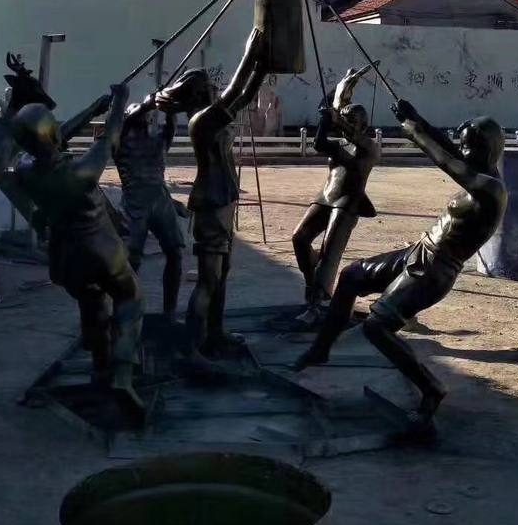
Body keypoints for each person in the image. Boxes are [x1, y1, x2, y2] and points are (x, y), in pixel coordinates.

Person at [294, 99, 508, 432]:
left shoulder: (491, 188)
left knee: (376, 327)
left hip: (435, 270)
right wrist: (416, 117)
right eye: (464, 145)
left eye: (471, 147)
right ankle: (321, 349)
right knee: (351, 276)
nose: (464, 151)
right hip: (419, 252)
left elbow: (448, 162)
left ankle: (432, 389)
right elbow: (449, 148)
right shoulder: (478, 169)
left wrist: (416, 135)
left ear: (490, 150)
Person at [11, 82, 151, 418]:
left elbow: (51, 140)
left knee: (91, 303)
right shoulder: (81, 172)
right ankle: (121, 376)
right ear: (51, 133)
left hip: (66, 260)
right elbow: (110, 138)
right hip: (101, 252)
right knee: (130, 298)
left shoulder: (24, 172)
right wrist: (118, 103)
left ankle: (99, 367)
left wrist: (91, 110)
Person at [155, 28, 266, 370]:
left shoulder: (211, 116)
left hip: (223, 200)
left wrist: (262, 67)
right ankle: (190, 350)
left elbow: (243, 97)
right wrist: (250, 54)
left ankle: (215, 333)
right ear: (201, 94)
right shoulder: (202, 121)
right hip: (211, 203)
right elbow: (235, 91)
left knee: (222, 272)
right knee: (208, 279)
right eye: (210, 86)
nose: (216, 89)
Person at [291, 66, 380, 328]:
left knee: (329, 253)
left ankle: (316, 305)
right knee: (300, 238)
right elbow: (320, 144)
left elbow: (352, 134)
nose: (347, 123)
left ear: (363, 125)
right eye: (345, 118)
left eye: (353, 120)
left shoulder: (370, 147)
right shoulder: (342, 145)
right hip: (325, 197)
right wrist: (324, 120)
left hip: (347, 203)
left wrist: (337, 117)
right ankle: (313, 286)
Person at [115, 106, 184, 324]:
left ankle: (169, 312)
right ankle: (125, 313)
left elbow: (171, 126)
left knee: (175, 253)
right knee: (131, 260)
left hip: (160, 201)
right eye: (141, 113)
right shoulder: (121, 143)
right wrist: (148, 103)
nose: (146, 116)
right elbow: (125, 124)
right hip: (135, 204)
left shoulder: (158, 140)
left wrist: (170, 105)